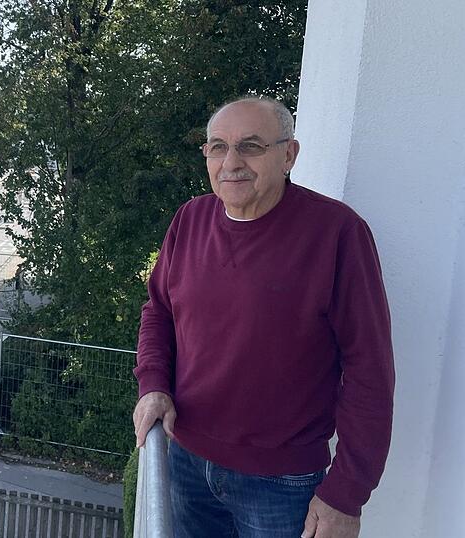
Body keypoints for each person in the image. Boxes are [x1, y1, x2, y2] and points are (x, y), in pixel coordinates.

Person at [132, 96, 394, 538]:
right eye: (217, 147)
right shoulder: (190, 219)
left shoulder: (338, 234)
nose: (231, 162)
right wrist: (153, 385)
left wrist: (346, 493)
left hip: (282, 485)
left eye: (250, 146)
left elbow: (369, 370)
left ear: (288, 155)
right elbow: (158, 310)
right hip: (186, 463)